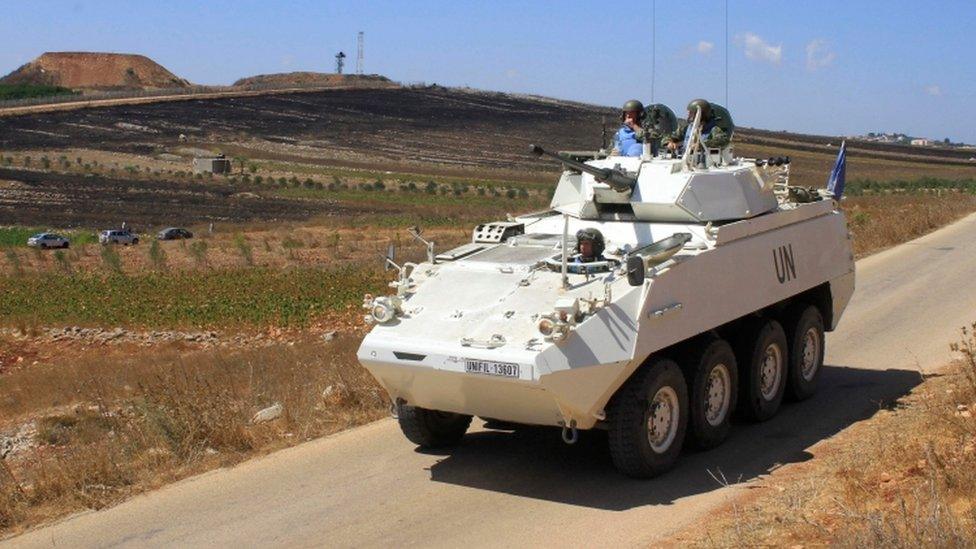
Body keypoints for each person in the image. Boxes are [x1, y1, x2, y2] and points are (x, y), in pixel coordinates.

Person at [665, 98, 732, 153]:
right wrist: (669, 142)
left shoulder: (714, 129)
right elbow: (669, 137)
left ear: (701, 114)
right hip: (685, 159)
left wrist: (700, 145)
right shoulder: (686, 128)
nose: (688, 116)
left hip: (705, 161)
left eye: (691, 113)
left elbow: (723, 141)